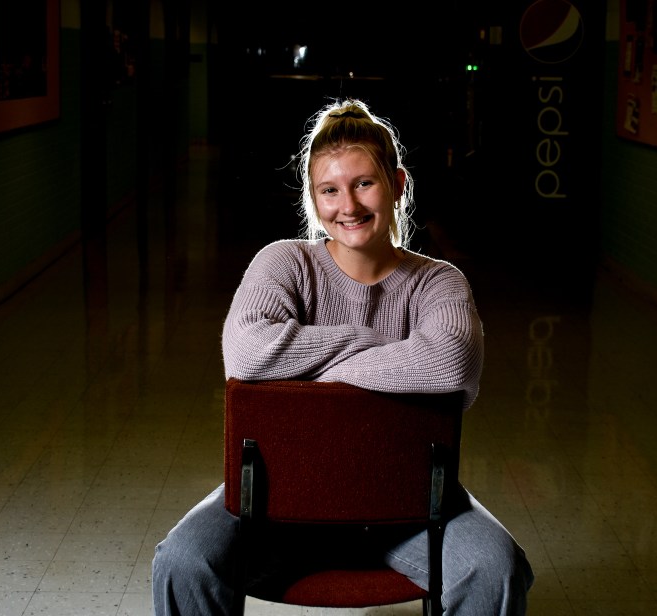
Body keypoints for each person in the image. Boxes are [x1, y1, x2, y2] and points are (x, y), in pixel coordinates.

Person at [152, 98, 534, 615]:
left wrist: (306, 370)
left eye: (364, 184)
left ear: (398, 185)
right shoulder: (283, 262)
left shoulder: (438, 281)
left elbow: (450, 362)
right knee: (182, 561)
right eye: (329, 190)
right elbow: (245, 354)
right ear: (313, 198)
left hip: (408, 510)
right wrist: (389, 354)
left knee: (495, 566)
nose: (348, 206)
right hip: (276, 507)